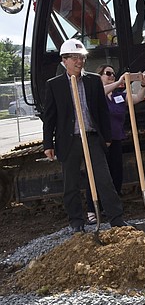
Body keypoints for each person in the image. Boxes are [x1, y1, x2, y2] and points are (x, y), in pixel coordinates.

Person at [42, 38, 130, 233]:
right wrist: (48, 142)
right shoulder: (54, 85)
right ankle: (76, 222)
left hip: (91, 137)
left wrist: (106, 136)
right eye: (74, 58)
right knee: (71, 183)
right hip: (69, 139)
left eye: (81, 57)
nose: (79, 61)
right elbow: (49, 117)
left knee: (104, 180)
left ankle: (116, 220)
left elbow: (102, 111)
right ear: (64, 61)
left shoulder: (92, 81)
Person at [85, 65, 145, 224]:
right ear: (99, 76)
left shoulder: (120, 95)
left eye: (113, 74)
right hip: (100, 140)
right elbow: (101, 92)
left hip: (116, 138)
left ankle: (111, 207)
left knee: (116, 172)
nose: (111, 76)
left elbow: (138, 98)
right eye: (108, 73)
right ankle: (92, 209)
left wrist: (143, 85)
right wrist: (120, 80)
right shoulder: (96, 93)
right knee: (96, 173)